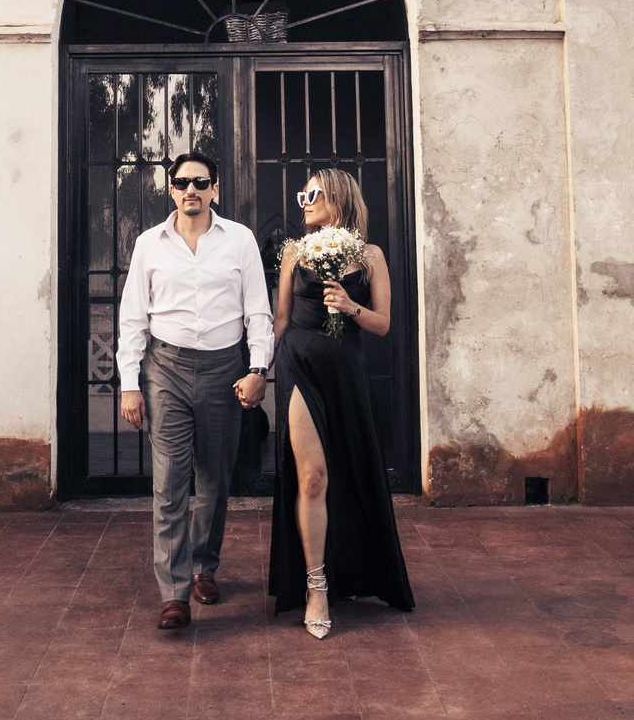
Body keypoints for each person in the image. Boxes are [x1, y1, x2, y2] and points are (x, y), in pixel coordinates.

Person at [117, 147, 272, 632]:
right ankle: (174, 593)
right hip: (166, 369)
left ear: (215, 190)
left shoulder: (240, 241)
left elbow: (258, 313)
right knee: (169, 484)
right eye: (183, 182)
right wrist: (128, 385)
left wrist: (258, 369)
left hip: (226, 369)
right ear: (171, 190)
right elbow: (132, 319)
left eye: (200, 183)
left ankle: (205, 566)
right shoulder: (149, 244)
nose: (191, 191)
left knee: (214, 480)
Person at [269, 168, 414, 637]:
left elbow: (383, 324)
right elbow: (281, 320)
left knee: (349, 472)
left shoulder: (369, 255)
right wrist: (256, 370)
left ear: (339, 199)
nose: (304, 201)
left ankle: (357, 568)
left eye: (313, 194)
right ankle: (316, 587)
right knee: (313, 476)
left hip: (346, 373)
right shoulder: (294, 250)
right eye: (302, 194)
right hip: (300, 366)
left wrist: (350, 307)